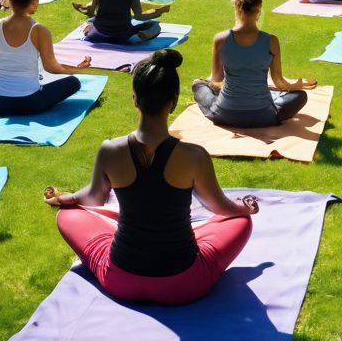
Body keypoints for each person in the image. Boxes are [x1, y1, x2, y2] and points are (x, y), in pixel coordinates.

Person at [44, 48, 257, 305]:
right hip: (184, 284)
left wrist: (68, 198)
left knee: (68, 215)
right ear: (174, 101)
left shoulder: (110, 150)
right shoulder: (195, 156)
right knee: (241, 223)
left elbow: (93, 197)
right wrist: (244, 209)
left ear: (135, 99)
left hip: (120, 279)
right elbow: (219, 207)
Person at [192, 0, 316, 127]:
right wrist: (297, 85)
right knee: (300, 96)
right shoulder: (271, 41)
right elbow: (280, 83)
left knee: (198, 85)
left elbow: (215, 81)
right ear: (259, 8)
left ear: (236, 6)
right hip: (264, 115)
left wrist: (226, 87)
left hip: (225, 114)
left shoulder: (220, 39)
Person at [0, 0, 90, 116]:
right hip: (31, 102)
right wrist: (76, 70)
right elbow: (51, 67)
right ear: (34, 1)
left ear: (11, 1)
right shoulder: (40, 31)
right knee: (73, 82)